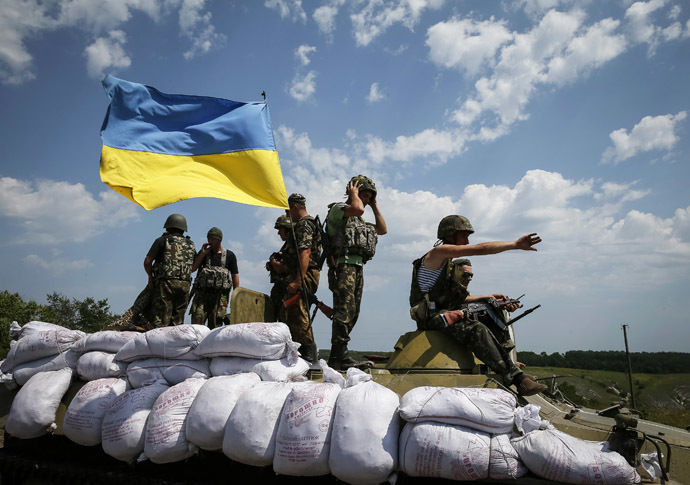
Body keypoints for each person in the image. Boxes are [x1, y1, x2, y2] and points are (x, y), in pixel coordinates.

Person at [409, 215, 547, 396]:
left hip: (445, 312)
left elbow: (458, 300)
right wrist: (514, 245)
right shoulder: (437, 253)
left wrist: (489, 298)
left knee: (488, 308)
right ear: (450, 234)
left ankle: (506, 360)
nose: (467, 241)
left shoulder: (448, 265)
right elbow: (479, 249)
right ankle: (517, 379)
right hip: (433, 317)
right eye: (464, 235)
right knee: (476, 328)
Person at [325, 175, 387, 370]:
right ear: (355, 192)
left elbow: (382, 229)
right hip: (343, 267)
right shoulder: (339, 210)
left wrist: (375, 204)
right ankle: (339, 355)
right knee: (344, 309)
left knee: (353, 311)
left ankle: (339, 354)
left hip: (357, 268)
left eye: (370, 197)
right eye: (365, 195)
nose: (367, 200)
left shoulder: (360, 220)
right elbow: (358, 208)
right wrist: (353, 195)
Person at [283, 193, 321, 364]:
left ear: (295, 207)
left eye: (288, 210)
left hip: (305, 273)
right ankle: (305, 355)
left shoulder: (304, 225)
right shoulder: (308, 223)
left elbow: (305, 252)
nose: (287, 215)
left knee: (298, 312)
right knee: (295, 313)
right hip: (305, 272)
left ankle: (309, 356)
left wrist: (298, 280)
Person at [144, 214, 196, 327]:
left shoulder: (162, 240)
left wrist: (150, 277)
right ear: (183, 229)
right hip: (185, 285)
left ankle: (158, 343)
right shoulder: (190, 244)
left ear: (168, 227)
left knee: (161, 320)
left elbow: (147, 261)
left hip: (166, 284)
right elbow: (193, 267)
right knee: (177, 323)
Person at [189, 227, 240, 329]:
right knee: (197, 326)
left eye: (212, 239)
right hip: (202, 296)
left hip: (220, 298)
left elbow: (235, 276)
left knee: (216, 327)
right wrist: (202, 254)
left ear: (219, 240)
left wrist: (236, 297)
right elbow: (193, 268)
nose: (209, 241)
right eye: (208, 238)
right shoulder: (204, 253)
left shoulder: (229, 256)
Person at [266, 215, 293, 322]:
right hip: (279, 290)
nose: (278, 233)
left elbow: (281, 269)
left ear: (287, 229)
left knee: (283, 322)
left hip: (285, 291)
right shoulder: (287, 246)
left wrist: (273, 261)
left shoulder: (292, 246)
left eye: (280, 229)